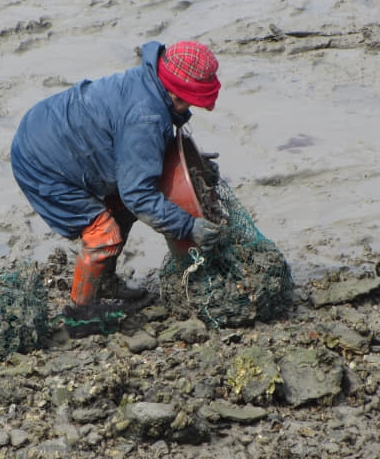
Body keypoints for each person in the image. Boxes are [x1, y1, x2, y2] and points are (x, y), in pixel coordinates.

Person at [11, 40, 223, 307]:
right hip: (42, 164)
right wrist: (188, 226)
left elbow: (141, 163)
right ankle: (81, 312)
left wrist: (194, 163)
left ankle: (104, 283)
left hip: (50, 130)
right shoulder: (146, 118)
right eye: (191, 102)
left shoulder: (148, 80)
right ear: (178, 94)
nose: (191, 108)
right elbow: (138, 194)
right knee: (103, 235)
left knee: (121, 207)